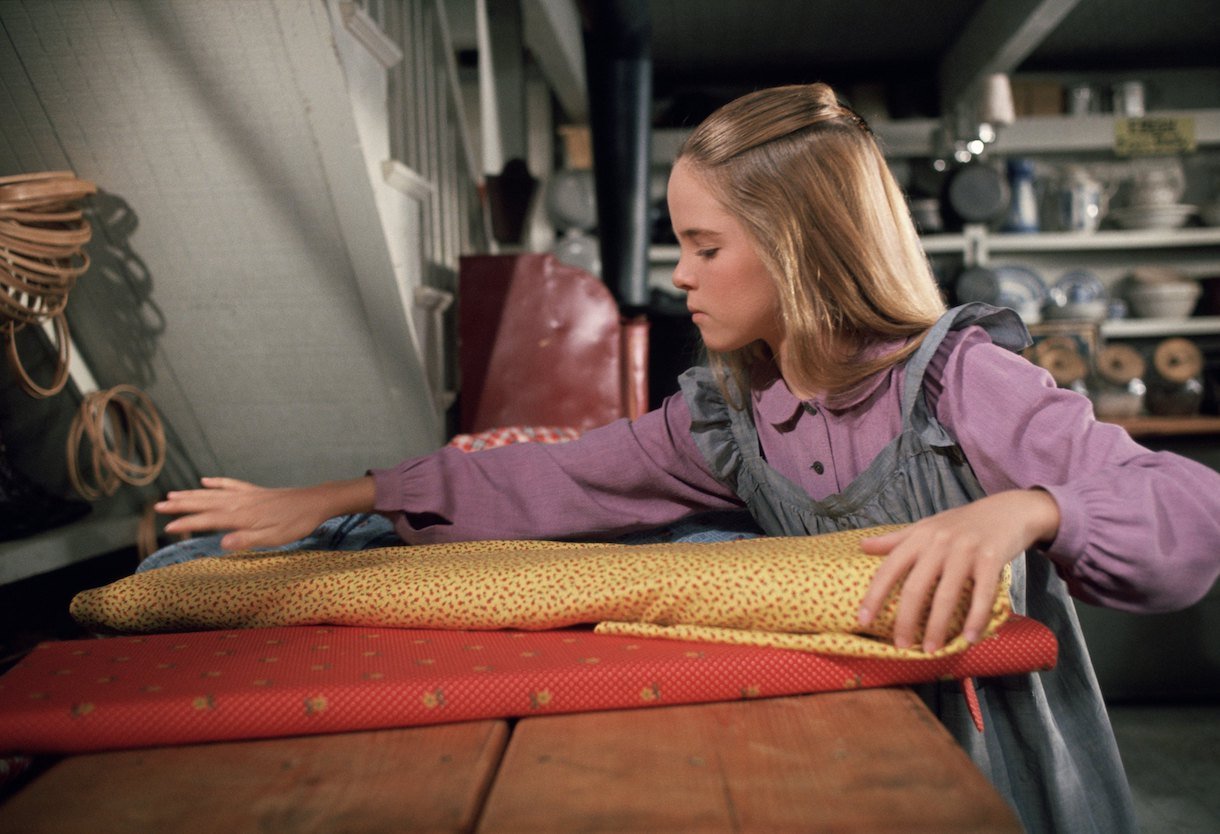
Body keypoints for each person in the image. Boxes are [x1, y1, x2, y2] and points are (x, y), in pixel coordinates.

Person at [153, 83, 1220, 833]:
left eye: (706, 247)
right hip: (831, 734)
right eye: (679, 243)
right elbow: (558, 478)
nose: (683, 274)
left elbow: (1184, 514)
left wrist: (1025, 511)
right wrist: (341, 498)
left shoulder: (958, 381)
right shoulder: (728, 413)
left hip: (994, 751)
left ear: (800, 245)